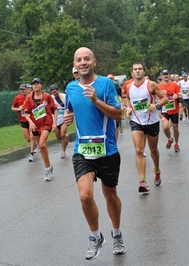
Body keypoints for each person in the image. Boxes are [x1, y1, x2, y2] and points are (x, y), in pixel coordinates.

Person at [63, 47, 126, 260]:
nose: (83, 62)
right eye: (79, 59)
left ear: (94, 62)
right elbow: (69, 110)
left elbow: (119, 114)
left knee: (110, 196)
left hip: (107, 150)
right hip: (82, 150)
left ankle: (116, 234)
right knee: (85, 196)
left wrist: (96, 101)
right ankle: (95, 237)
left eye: (87, 59)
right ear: (75, 64)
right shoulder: (71, 88)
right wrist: (66, 119)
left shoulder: (106, 84)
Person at [126, 62, 168, 192]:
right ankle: (143, 181)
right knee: (139, 150)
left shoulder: (151, 85)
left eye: (140, 69)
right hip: (136, 120)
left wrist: (156, 105)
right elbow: (127, 98)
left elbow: (165, 99)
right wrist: (128, 107)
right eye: (135, 69)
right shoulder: (128, 86)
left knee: (153, 149)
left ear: (144, 71)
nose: (137, 71)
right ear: (132, 72)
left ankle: (157, 170)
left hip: (151, 121)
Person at [23, 77, 57, 181]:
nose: (36, 85)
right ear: (32, 86)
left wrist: (54, 122)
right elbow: (25, 112)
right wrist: (31, 123)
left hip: (46, 123)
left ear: (41, 85)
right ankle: (49, 166)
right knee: (42, 148)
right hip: (35, 125)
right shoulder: (29, 98)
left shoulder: (47, 96)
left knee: (42, 144)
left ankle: (47, 169)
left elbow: (54, 109)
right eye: (34, 84)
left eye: (37, 83)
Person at [11, 83, 38, 162]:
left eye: (23, 89)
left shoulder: (31, 97)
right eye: (21, 89)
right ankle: (36, 144)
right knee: (28, 139)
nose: (22, 91)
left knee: (32, 137)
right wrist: (19, 109)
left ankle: (31, 154)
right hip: (23, 120)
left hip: (31, 120)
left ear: (27, 89)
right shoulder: (17, 98)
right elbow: (12, 108)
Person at [158, 69, 182, 152]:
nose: (165, 76)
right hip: (164, 110)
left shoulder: (175, 85)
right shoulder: (159, 86)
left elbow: (180, 95)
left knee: (175, 128)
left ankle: (176, 144)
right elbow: (156, 97)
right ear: (161, 76)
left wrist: (177, 96)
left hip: (174, 109)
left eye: (167, 74)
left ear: (169, 75)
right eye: (164, 74)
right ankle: (169, 138)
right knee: (165, 127)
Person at [49, 84, 69, 159]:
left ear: (58, 90)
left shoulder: (64, 96)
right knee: (59, 137)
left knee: (63, 134)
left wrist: (60, 97)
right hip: (55, 120)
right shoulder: (50, 98)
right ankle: (65, 139)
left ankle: (63, 151)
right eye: (53, 92)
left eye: (56, 92)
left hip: (64, 118)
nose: (55, 94)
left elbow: (67, 105)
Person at [108, 74, 123, 139]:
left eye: (111, 78)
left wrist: (121, 105)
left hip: (116, 106)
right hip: (108, 107)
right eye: (109, 78)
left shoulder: (117, 87)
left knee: (116, 126)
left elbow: (120, 96)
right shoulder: (105, 86)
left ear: (113, 79)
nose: (110, 80)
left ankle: (115, 141)